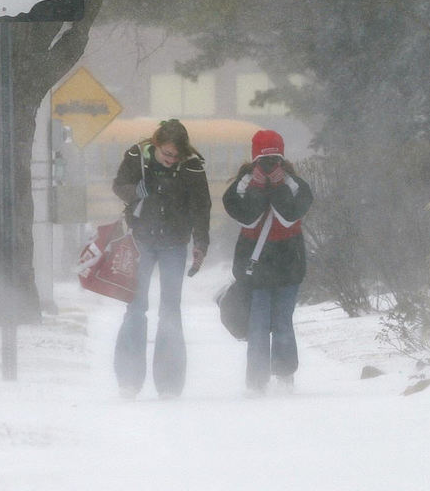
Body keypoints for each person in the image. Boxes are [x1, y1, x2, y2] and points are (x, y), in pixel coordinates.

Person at [111, 119, 211, 399]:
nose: (170, 161)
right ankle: (128, 380)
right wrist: (135, 192)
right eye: (166, 155)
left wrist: (200, 243)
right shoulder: (136, 157)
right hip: (141, 239)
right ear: (156, 145)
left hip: (175, 244)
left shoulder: (191, 168)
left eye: (176, 157)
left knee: (170, 311)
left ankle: (169, 382)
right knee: (135, 307)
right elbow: (119, 185)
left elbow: (202, 208)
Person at [223, 129, 313, 396]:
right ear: (254, 160)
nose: (270, 165)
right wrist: (259, 187)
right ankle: (256, 381)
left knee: (283, 320)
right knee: (258, 323)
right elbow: (248, 218)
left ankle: (285, 376)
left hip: (289, 264)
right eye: (264, 160)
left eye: (275, 159)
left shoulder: (295, 185)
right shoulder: (241, 185)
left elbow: (289, 216)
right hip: (256, 268)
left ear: (282, 158)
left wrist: (278, 186)